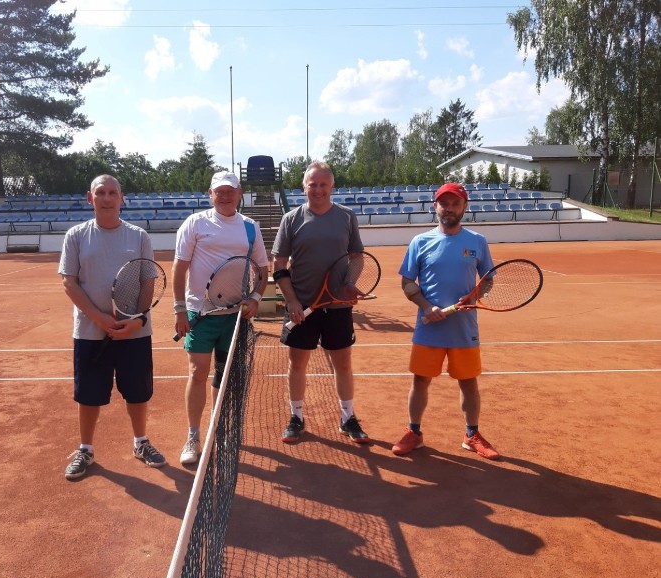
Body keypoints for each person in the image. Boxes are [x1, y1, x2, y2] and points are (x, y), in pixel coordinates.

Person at [59, 174, 166, 480]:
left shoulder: (139, 236)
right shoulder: (76, 236)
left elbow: (148, 280)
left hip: (135, 332)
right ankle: (85, 449)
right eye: (100, 193)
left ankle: (141, 443)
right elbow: (69, 282)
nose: (107, 198)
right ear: (90, 198)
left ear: (122, 199)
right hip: (90, 332)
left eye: (112, 193)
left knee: (137, 393)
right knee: (88, 395)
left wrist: (137, 319)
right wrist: (99, 317)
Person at [393, 182, 500, 460]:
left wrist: (476, 295)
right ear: (435, 206)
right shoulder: (420, 242)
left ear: (464, 207)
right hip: (428, 328)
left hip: (464, 328)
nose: (448, 208)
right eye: (444, 203)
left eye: (454, 203)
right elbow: (407, 282)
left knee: (468, 382)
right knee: (420, 381)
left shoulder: (477, 241)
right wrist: (427, 307)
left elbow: (487, 279)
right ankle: (414, 432)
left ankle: (471, 434)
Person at [172, 170, 269, 466]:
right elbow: (179, 268)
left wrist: (254, 298)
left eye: (231, 190)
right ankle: (193, 435)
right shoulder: (195, 223)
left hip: (235, 316)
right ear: (210, 194)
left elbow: (263, 271)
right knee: (197, 373)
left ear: (240, 194)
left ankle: (220, 430)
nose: (225, 195)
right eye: (219, 191)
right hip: (199, 313)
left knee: (225, 378)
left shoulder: (250, 228)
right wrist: (179, 308)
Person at [271, 161, 369, 445]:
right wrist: (291, 301)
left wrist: (349, 282)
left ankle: (347, 417)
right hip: (302, 307)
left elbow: (357, 256)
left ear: (332, 186)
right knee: (297, 363)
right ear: (304, 187)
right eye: (312, 184)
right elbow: (278, 264)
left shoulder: (347, 217)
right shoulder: (291, 219)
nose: (318, 190)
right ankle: (297, 417)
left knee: (343, 363)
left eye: (323, 184)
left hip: (337, 306)